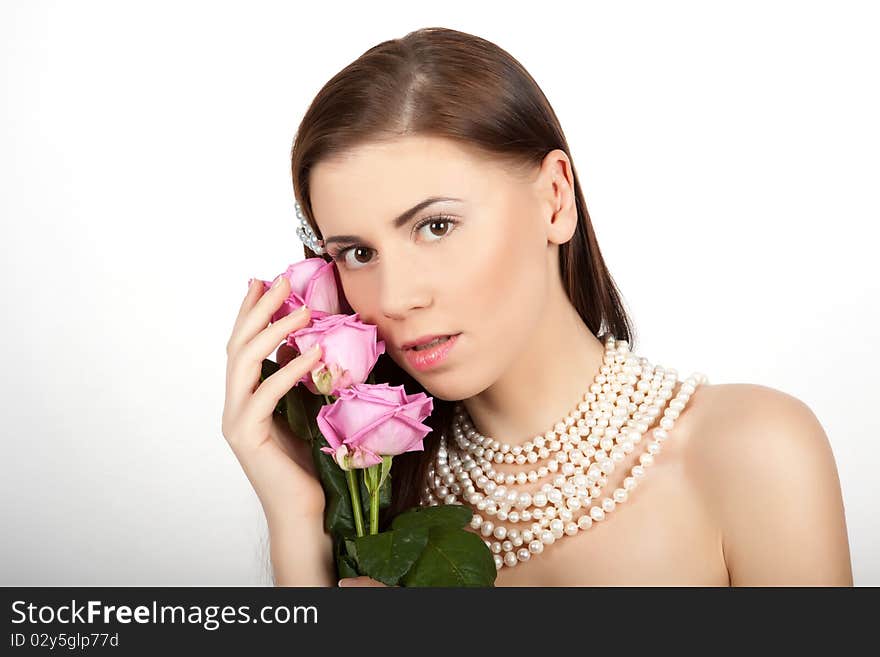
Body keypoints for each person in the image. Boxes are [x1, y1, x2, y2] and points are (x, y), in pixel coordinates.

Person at [222, 27, 853, 587]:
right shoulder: (379, 506)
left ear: (554, 200)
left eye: (436, 227)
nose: (395, 298)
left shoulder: (751, 451)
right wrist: (300, 520)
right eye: (357, 254)